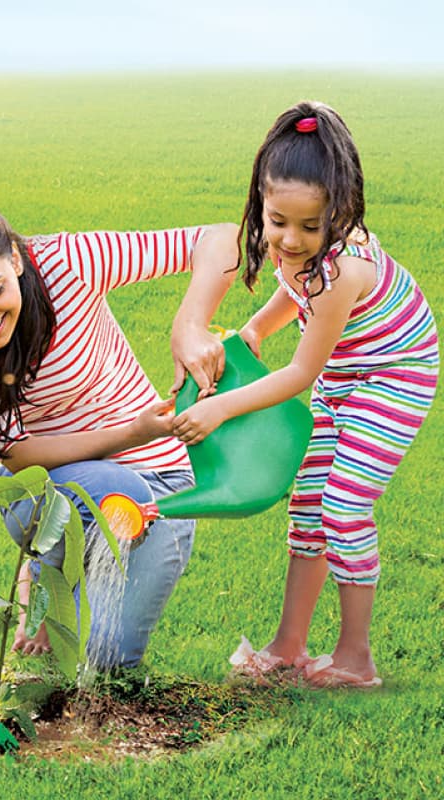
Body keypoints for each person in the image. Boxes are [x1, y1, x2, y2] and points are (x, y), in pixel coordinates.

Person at [0, 196, 239, 669]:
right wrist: (132, 433)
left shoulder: (70, 263)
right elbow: (14, 452)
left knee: (109, 659)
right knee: (115, 490)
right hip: (43, 485)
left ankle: (51, 582)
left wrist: (189, 326)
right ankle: (48, 572)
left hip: (161, 482)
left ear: (16, 260)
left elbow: (221, 239)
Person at [173, 101, 439, 688]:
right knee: (308, 504)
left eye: (309, 227)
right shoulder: (297, 249)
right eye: (277, 221)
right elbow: (295, 290)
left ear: (339, 215)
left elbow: (298, 374)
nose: (290, 240)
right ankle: (289, 644)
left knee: (344, 508)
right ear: (261, 205)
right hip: (346, 371)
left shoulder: (343, 270)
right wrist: (251, 331)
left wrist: (219, 407)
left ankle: (356, 659)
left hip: (396, 374)